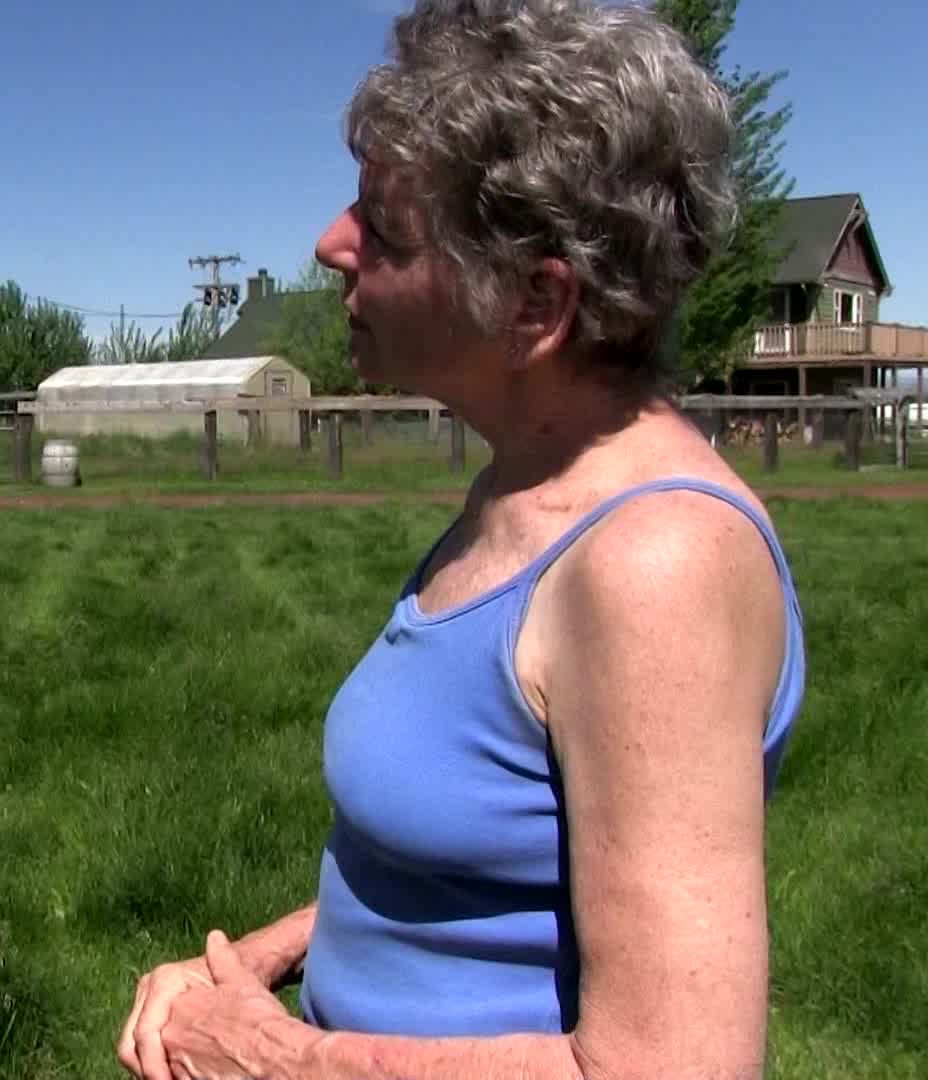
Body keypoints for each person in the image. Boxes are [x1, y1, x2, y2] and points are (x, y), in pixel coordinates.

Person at [118, 1, 804, 1077]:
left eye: (385, 232)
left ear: (535, 303)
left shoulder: (654, 562)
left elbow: (674, 1067)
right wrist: (268, 958)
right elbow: (494, 863)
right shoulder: (518, 490)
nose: (330, 245)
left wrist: (273, 1060)